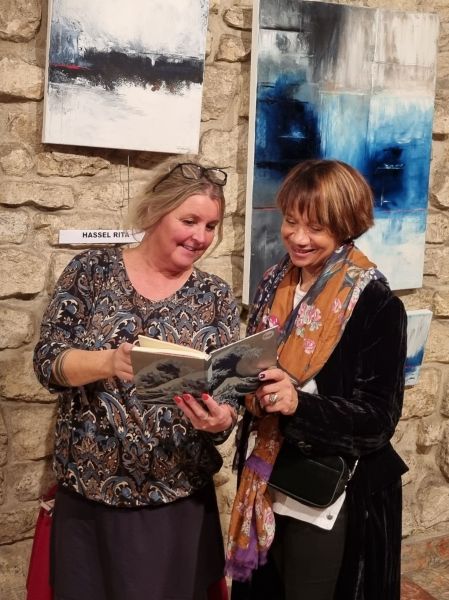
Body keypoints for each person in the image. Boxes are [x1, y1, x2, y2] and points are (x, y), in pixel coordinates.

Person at [33, 161, 241, 600]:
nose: (200, 237)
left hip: (176, 499)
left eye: (210, 226)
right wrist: (109, 361)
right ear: (155, 211)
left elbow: (228, 395)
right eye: (189, 221)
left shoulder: (216, 295)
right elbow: (48, 363)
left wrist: (222, 419)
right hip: (90, 497)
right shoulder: (92, 270)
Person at [226, 159, 408, 600]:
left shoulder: (376, 303)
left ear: (346, 228)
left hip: (330, 490)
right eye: (291, 221)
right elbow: (255, 369)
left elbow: (378, 419)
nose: (298, 237)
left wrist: (299, 405)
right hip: (267, 477)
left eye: (316, 228)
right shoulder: (273, 283)